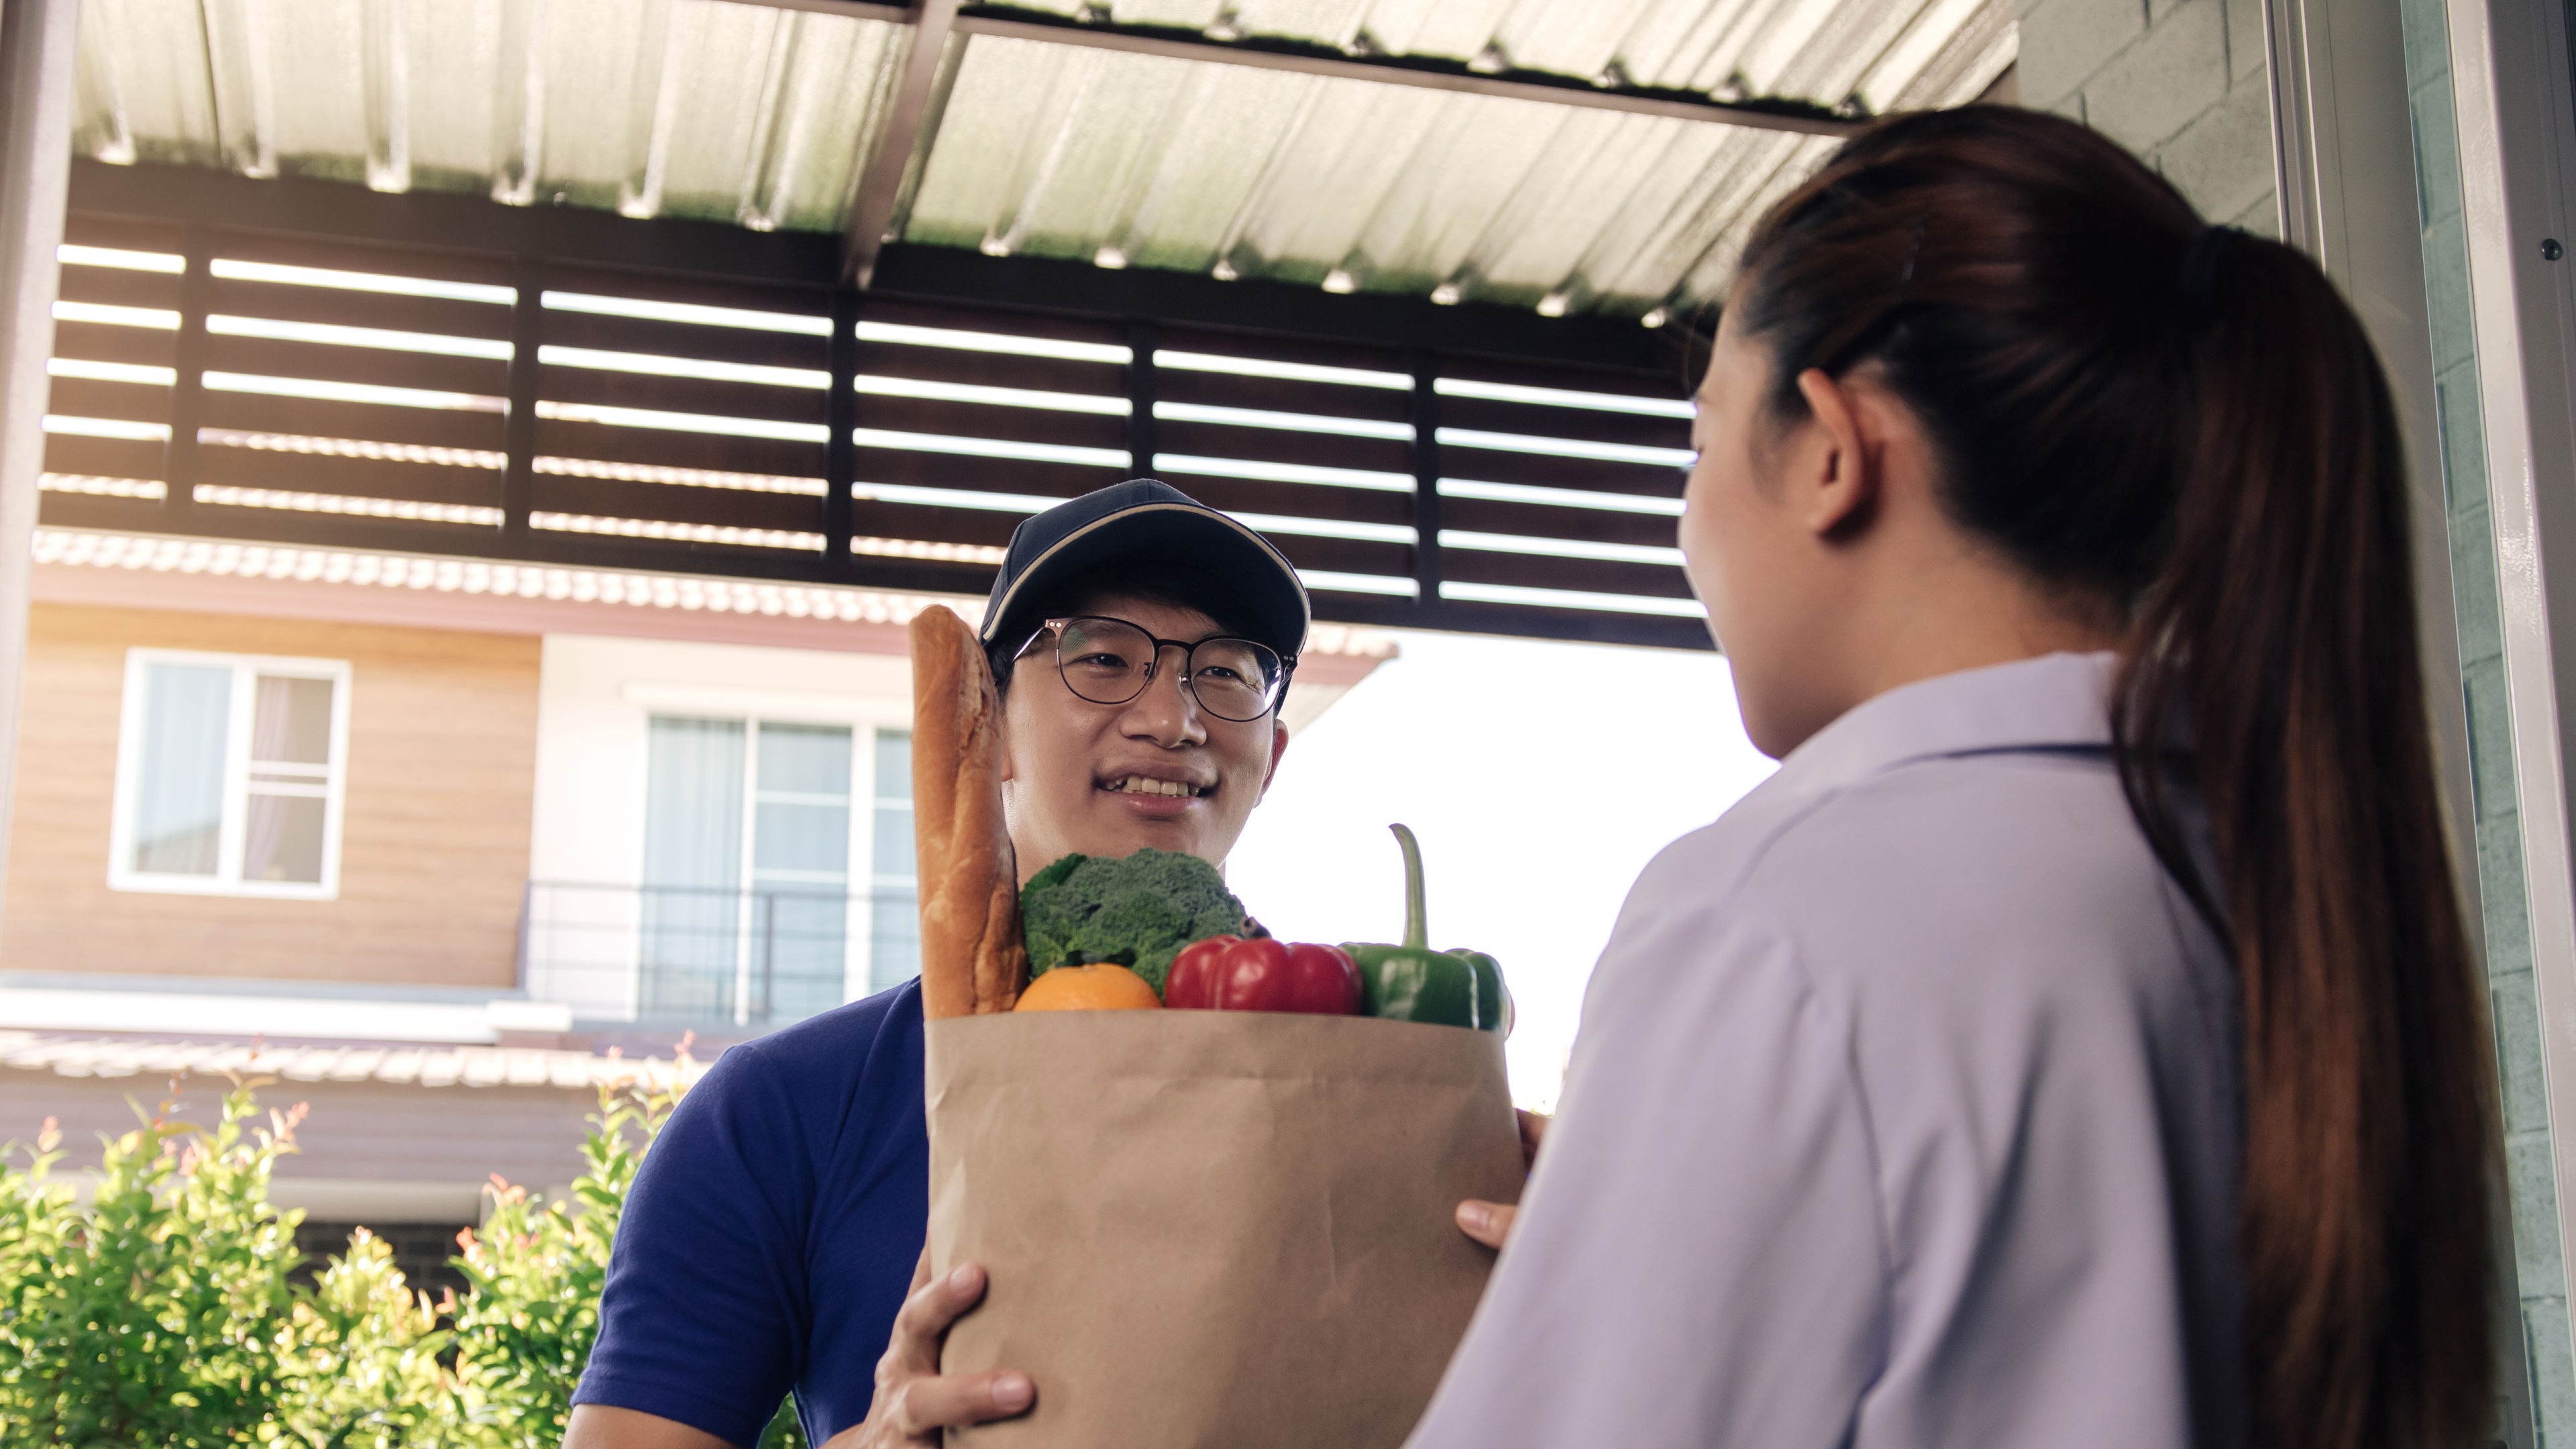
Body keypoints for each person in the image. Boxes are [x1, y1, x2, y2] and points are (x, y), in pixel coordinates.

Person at [1407, 107, 2498, 1449]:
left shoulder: (1774, 916)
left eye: (1700, 442)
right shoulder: (2290, 870)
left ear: (1829, 447)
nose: (1687, 530)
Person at [564, 480, 1308, 1448]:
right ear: (987, 725)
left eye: (1228, 673)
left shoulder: (1366, 1081)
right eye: (1103, 658)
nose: (1172, 718)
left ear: (1274, 753)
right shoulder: (784, 1113)